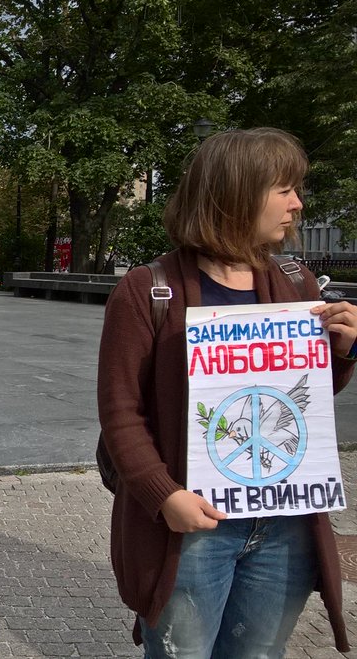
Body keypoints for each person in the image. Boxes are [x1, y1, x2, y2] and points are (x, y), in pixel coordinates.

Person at [98, 127, 357, 658]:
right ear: (234, 193)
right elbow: (121, 413)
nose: (297, 204)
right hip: (195, 525)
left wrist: (344, 350)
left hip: (286, 522)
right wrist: (164, 497)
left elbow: (302, 403)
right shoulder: (148, 290)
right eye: (283, 189)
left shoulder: (299, 281)